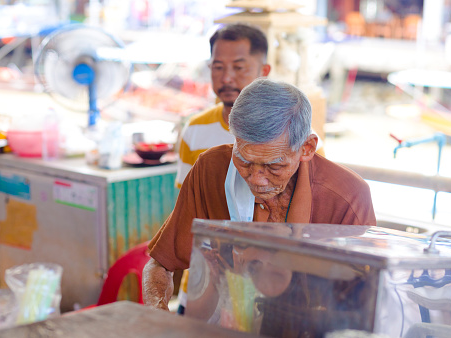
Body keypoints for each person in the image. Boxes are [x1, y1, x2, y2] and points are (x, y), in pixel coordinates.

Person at [142, 78, 376, 313]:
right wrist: (158, 316)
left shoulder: (347, 196)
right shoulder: (210, 170)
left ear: (307, 148)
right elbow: (160, 265)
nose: (255, 178)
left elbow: (365, 299)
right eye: (244, 161)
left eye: (273, 166)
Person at [175, 23, 271, 188]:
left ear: (264, 71)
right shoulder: (195, 129)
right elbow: (187, 203)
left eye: (239, 67)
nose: (226, 78)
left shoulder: (293, 130)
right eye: (218, 67)